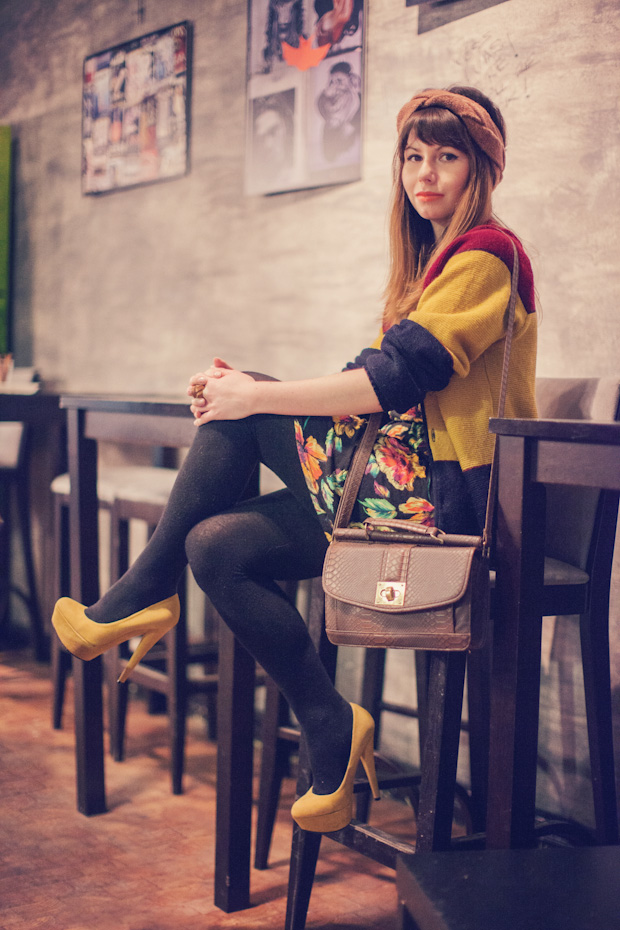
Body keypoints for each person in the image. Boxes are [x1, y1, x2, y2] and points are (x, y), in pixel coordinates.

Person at [52, 85, 538, 834]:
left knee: (243, 409)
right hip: (395, 491)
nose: (425, 173)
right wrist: (245, 394)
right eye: (413, 156)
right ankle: (329, 719)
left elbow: (392, 380)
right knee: (215, 545)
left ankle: (142, 592)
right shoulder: (433, 264)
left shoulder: (489, 254)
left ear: (485, 169)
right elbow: (371, 379)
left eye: (447, 156)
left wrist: (253, 396)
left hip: (446, 505)